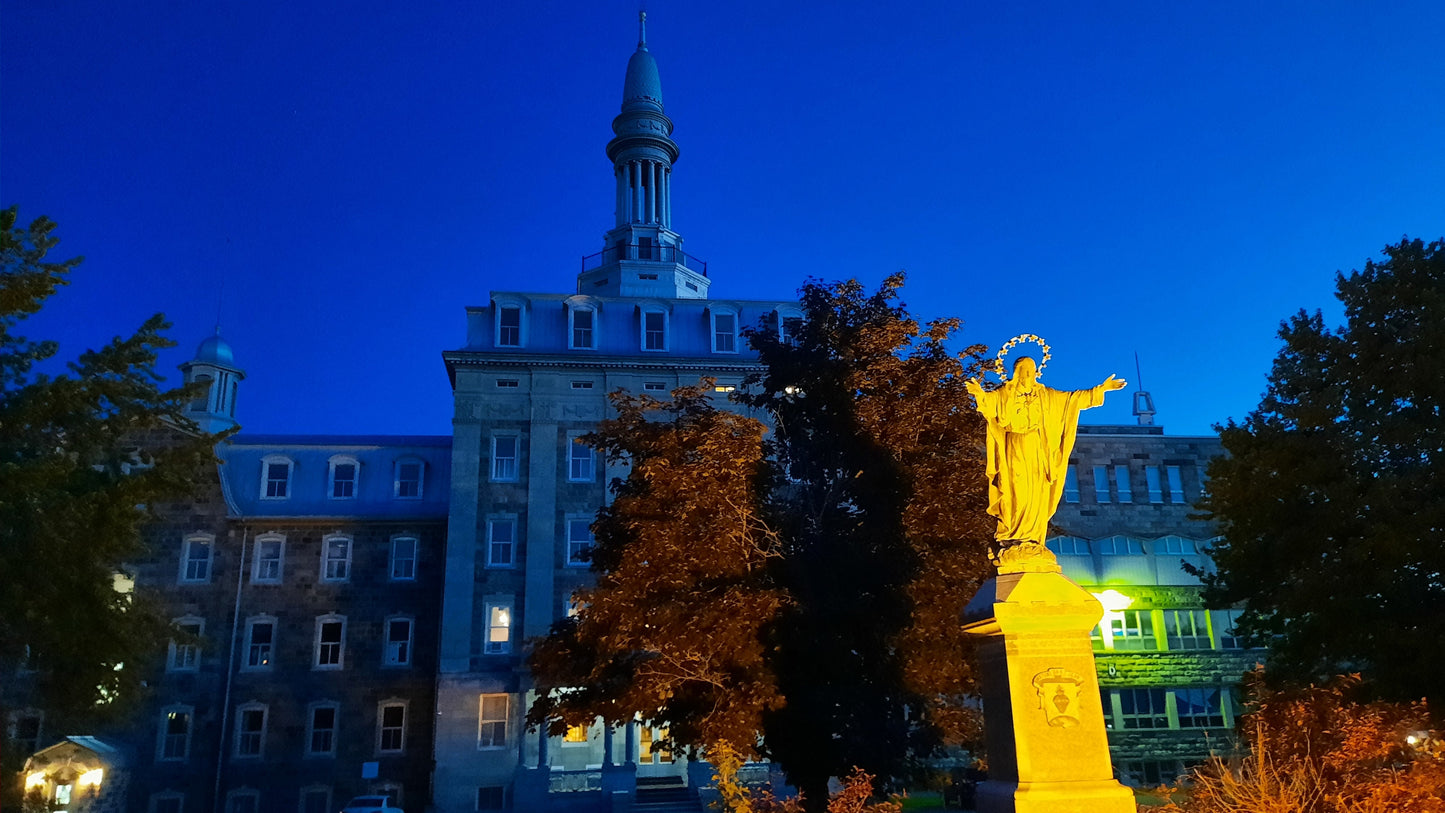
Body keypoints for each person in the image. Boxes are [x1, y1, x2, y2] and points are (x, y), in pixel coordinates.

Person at [966, 356, 1126, 545]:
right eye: (1023, 369)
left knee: (1037, 492)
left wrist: (1101, 389)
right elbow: (990, 403)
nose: (1027, 374)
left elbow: (1072, 400)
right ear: (1016, 372)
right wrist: (979, 394)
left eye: (1031, 370)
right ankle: (1015, 534)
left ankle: (1032, 537)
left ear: (1036, 372)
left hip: (1037, 448)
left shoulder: (1046, 395)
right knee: (1017, 489)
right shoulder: (1005, 393)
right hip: (1015, 446)